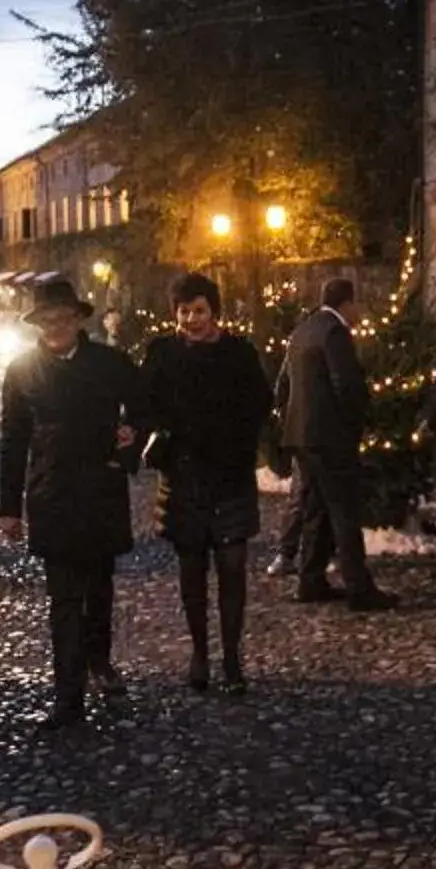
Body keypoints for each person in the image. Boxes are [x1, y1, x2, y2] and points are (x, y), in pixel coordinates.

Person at [0, 275, 143, 727]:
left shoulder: (110, 363)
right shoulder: (20, 372)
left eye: (64, 318)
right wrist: (8, 507)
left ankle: (99, 660)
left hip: (100, 489)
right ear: (37, 323)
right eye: (48, 320)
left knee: (99, 588)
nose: (56, 326)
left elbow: (144, 408)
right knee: (62, 598)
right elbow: (13, 439)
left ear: (79, 319)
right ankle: (67, 693)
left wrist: (128, 448)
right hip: (51, 493)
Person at [139, 272, 276, 694]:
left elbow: (260, 404)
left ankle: (232, 657)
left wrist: (237, 439)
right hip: (184, 478)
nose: (192, 319)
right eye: (184, 311)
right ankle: (200, 652)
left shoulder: (239, 354)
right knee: (192, 571)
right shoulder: (162, 354)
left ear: (213, 311)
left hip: (230, 476)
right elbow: (146, 404)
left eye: (199, 310)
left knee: (233, 568)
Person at [277, 277, 399, 612]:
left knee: (316, 508)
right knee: (344, 511)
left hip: (302, 435)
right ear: (348, 302)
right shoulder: (334, 332)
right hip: (330, 436)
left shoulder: (304, 329)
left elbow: (285, 384)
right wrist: (355, 423)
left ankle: (310, 579)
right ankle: (359, 587)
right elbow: (346, 384)